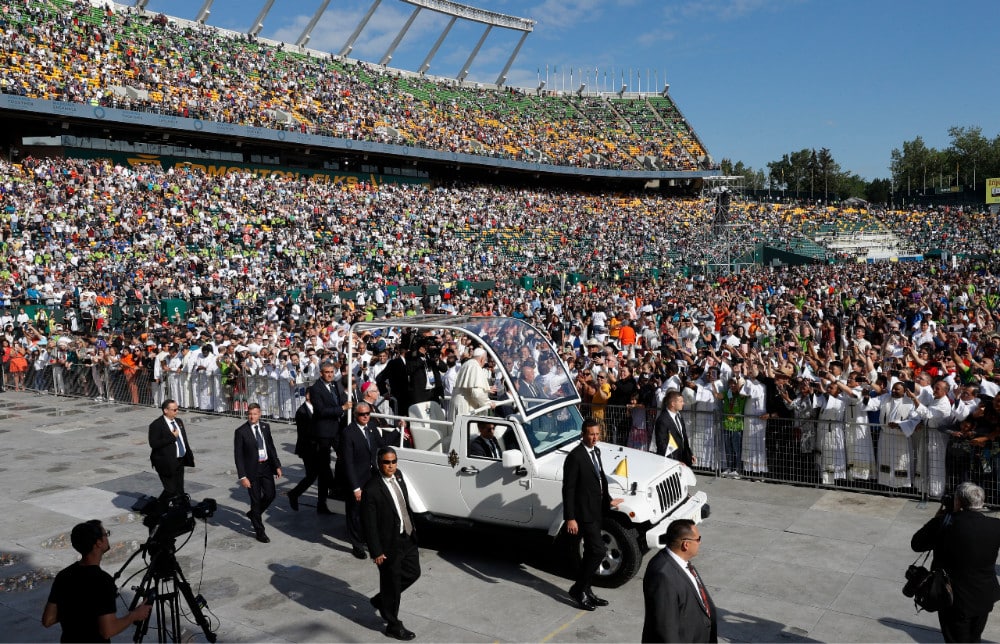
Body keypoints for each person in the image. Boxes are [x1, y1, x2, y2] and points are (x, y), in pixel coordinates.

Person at [911, 482, 1000, 642]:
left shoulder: (944, 523)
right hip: (983, 596)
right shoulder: (996, 526)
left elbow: (917, 544)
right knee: (974, 638)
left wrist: (939, 517)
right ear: (982, 502)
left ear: (957, 502)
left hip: (953, 598)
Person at [41, 520, 153, 643]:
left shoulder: (63, 576)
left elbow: (48, 620)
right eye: (106, 534)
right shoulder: (103, 581)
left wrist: (75, 608)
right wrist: (134, 615)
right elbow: (107, 631)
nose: (107, 537)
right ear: (98, 543)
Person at [562, 418, 624, 610]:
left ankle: (586, 590)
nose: (595, 438)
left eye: (597, 434)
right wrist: (570, 517)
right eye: (591, 434)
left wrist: (608, 499)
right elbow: (568, 489)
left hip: (597, 509)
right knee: (599, 551)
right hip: (583, 513)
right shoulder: (575, 456)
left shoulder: (595, 451)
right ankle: (578, 588)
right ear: (583, 434)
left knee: (591, 551)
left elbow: (599, 480)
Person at [362, 446, 421, 641]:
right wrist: (376, 551)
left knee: (413, 573)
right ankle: (393, 625)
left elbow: (404, 504)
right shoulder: (371, 489)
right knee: (392, 583)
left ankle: (382, 599)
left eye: (394, 461)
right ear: (379, 463)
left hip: (407, 536)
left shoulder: (400, 476)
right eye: (387, 462)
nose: (391, 465)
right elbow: (369, 524)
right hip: (388, 545)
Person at [642, 518, 716, 643]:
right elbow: (666, 629)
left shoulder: (681, 562)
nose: (700, 543)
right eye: (698, 539)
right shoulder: (662, 575)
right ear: (686, 544)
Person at [340, 402, 384, 559]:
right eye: (361, 414)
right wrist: (355, 488)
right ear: (355, 415)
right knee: (354, 513)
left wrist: (400, 431)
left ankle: (365, 537)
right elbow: (348, 463)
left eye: (367, 413)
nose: (365, 416)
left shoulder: (371, 427)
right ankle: (356, 545)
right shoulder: (349, 433)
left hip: (371, 477)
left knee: (369, 511)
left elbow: (381, 443)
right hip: (356, 480)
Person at [234, 403, 283, 543]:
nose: (252, 416)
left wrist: (277, 465)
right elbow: (238, 456)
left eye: (255, 414)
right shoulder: (241, 431)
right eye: (250, 414)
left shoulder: (265, 427)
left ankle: (253, 515)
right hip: (252, 471)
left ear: (260, 414)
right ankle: (259, 531)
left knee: (270, 494)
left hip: (266, 467)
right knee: (255, 501)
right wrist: (243, 476)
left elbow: (271, 447)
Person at [307, 360, 351, 513]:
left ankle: (338, 488)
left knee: (345, 456)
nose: (330, 375)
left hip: (337, 430)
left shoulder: (335, 385)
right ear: (321, 373)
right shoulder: (315, 389)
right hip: (323, 433)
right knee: (324, 467)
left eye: (332, 372)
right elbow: (321, 411)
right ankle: (322, 501)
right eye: (327, 372)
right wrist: (341, 409)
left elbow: (342, 400)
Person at [147, 399, 194, 504]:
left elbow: (183, 439)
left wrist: (188, 453)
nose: (177, 411)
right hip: (165, 462)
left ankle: (181, 510)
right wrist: (172, 437)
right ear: (165, 410)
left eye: (177, 409)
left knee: (180, 488)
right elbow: (153, 444)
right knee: (170, 490)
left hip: (179, 460)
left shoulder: (178, 422)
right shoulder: (156, 425)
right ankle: (157, 508)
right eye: (174, 410)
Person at [287, 390, 320, 511]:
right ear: (307, 396)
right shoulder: (301, 412)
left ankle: (322, 503)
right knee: (311, 476)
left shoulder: (317, 408)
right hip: (307, 449)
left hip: (317, 448)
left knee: (320, 475)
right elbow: (305, 432)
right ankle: (294, 494)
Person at [448, 347, 495, 420]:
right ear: (482, 359)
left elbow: (469, 386)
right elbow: (476, 394)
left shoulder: (466, 364)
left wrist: (486, 389)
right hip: (465, 407)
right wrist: (488, 403)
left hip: (458, 402)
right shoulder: (475, 367)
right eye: (485, 360)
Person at [654, 390, 694, 467]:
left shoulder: (679, 416)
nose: (683, 403)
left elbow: (683, 438)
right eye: (681, 401)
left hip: (683, 460)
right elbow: (662, 445)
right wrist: (674, 462)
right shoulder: (662, 420)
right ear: (673, 404)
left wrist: (689, 455)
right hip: (671, 462)